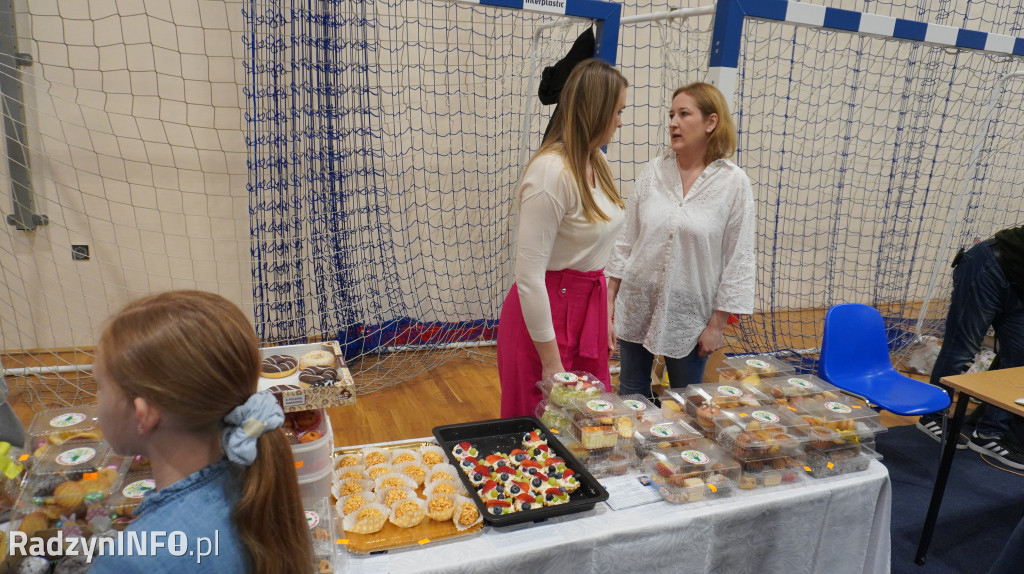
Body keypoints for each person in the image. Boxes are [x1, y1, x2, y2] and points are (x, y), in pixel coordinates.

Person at [88, 290, 314, 573]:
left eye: (99, 386)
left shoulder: (130, 562)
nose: (96, 398)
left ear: (143, 414)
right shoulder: (259, 481)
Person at [497, 58, 628, 418]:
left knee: (589, 423)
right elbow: (529, 278)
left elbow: (599, 249)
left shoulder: (596, 162)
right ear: (596, 110)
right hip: (544, 319)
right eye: (617, 111)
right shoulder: (550, 173)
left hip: (587, 310)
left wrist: (605, 314)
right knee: (537, 430)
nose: (620, 121)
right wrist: (551, 362)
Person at [607, 82, 755, 399]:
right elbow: (626, 241)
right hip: (636, 300)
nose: (673, 123)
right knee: (631, 393)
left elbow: (739, 259)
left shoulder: (734, 183)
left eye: (684, 114)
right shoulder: (653, 172)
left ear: (711, 122)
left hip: (690, 312)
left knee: (686, 401)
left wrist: (716, 326)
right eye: (671, 115)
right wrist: (609, 303)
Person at [916, 226, 1024, 468]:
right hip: (988, 267)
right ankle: (933, 415)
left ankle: (988, 433)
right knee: (961, 350)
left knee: (1020, 356)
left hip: (1018, 282)